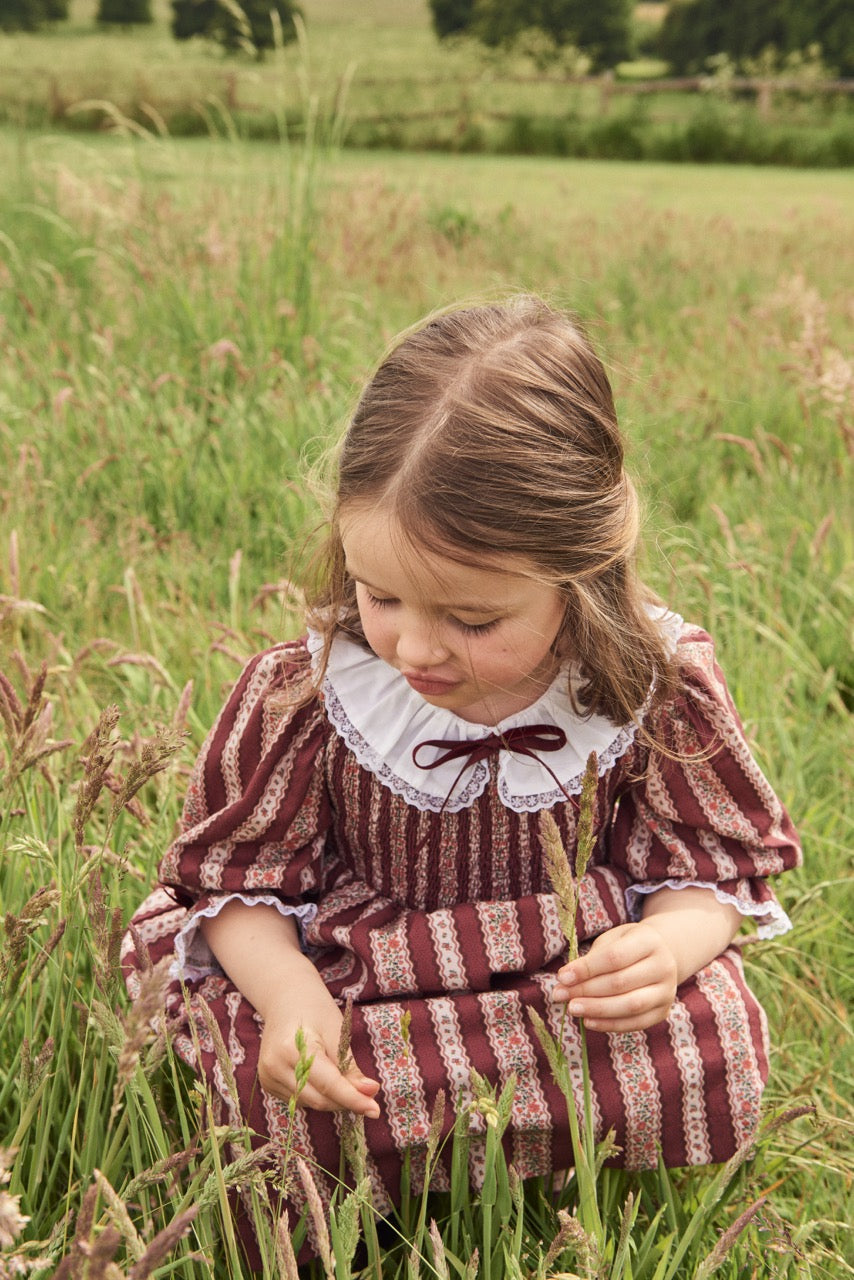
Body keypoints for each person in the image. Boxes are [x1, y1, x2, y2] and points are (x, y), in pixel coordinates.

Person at [123, 296, 801, 1263]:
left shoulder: (652, 687)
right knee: (272, 1083)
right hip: (361, 979)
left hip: (560, 984)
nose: (414, 645)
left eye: (474, 619)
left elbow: (708, 870)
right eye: (380, 593)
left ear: (585, 570)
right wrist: (287, 998)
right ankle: (350, 1208)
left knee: (715, 1026)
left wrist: (669, 947)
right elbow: (235, 886)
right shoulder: (313, 691)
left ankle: (569, 1189)